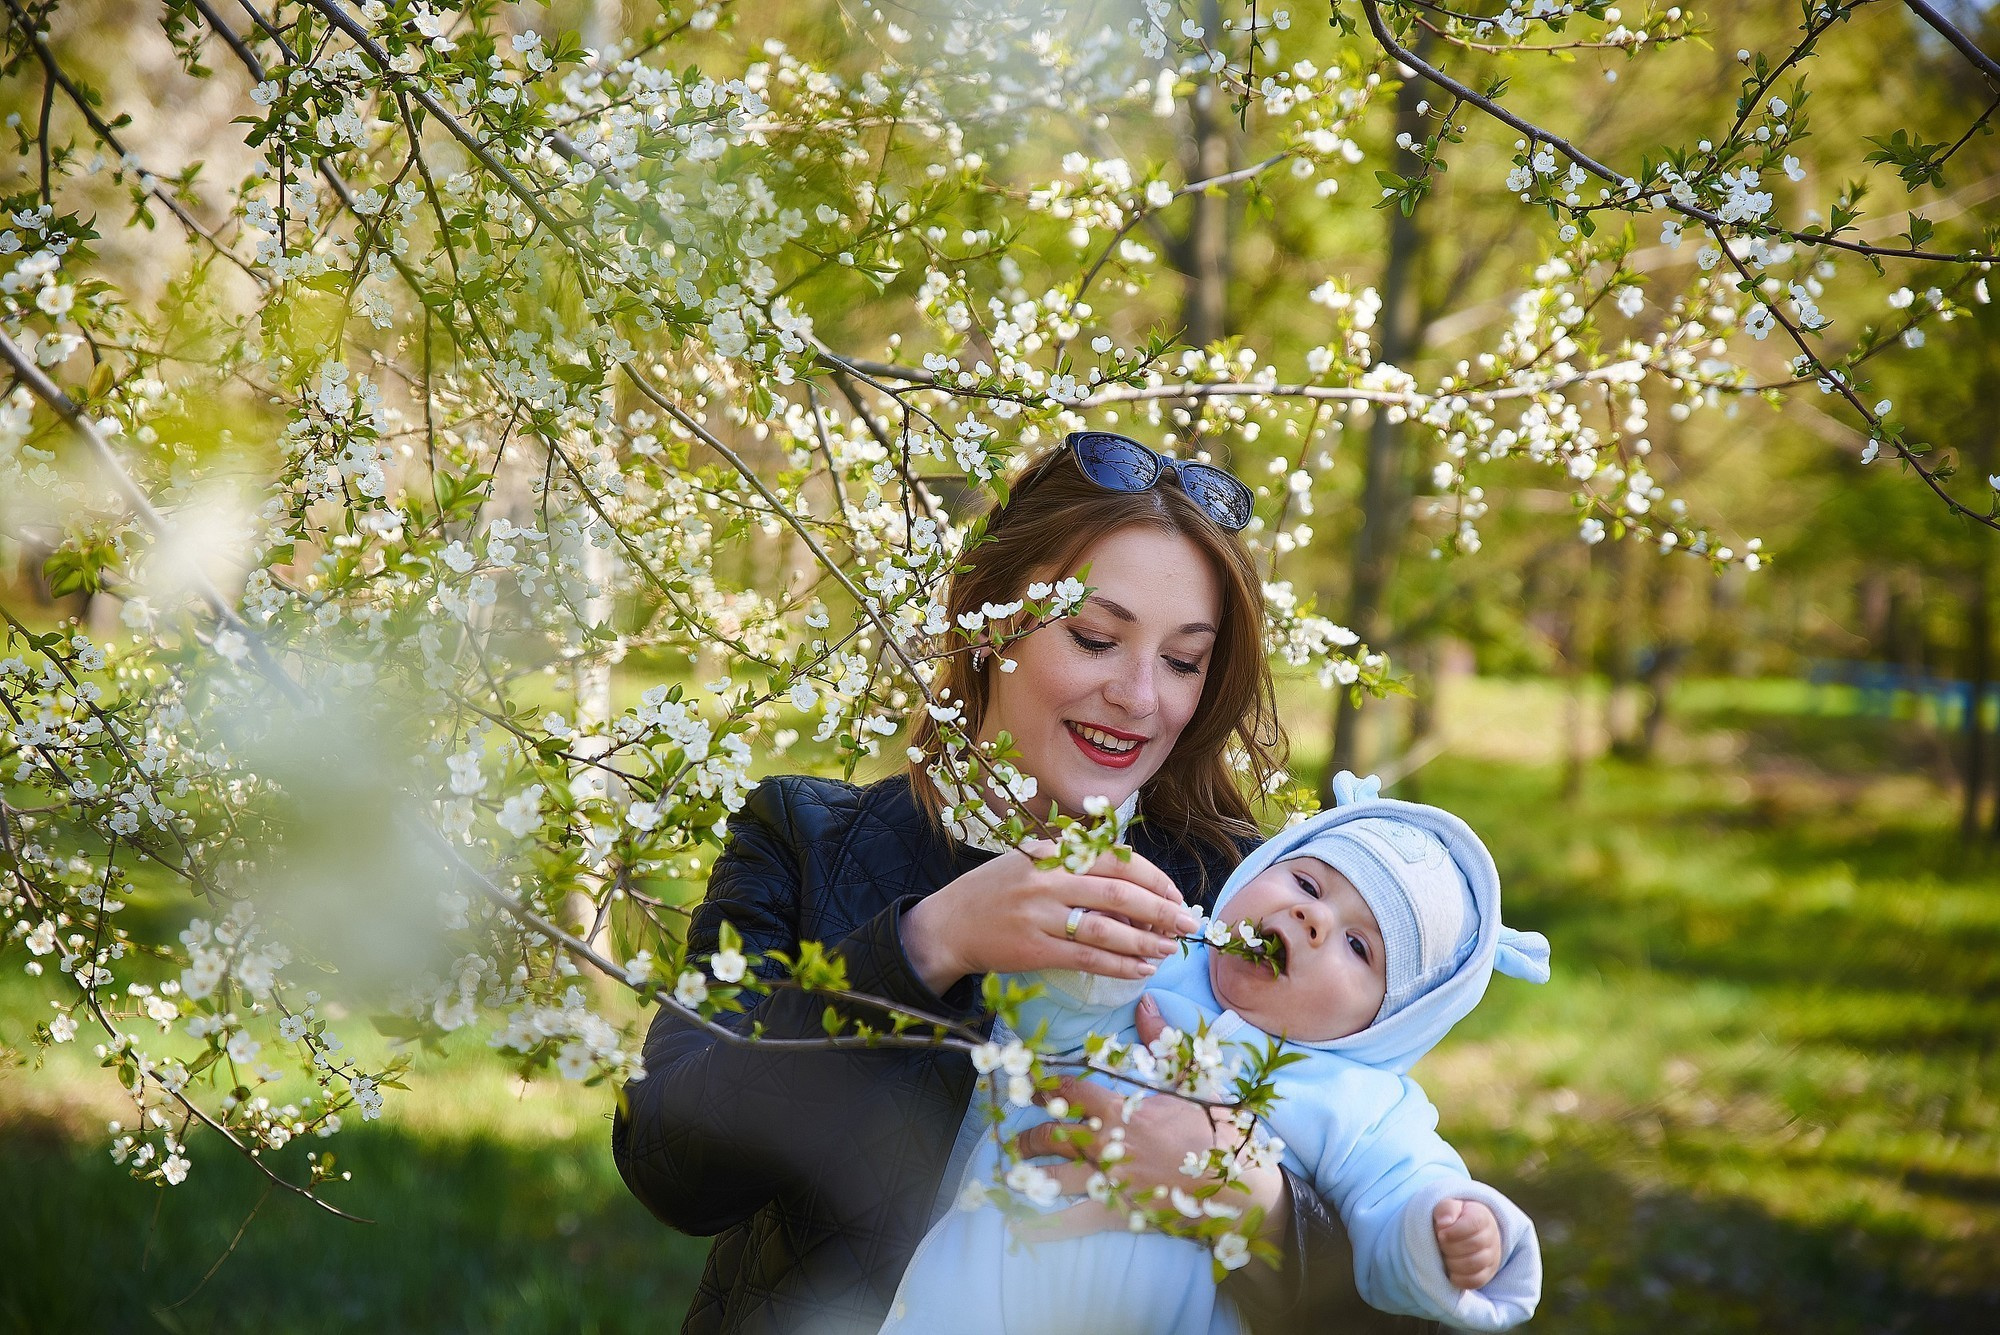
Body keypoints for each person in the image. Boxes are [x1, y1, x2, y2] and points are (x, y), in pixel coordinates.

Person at [612, 432, 1438, 1334]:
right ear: (991, 614)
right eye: (1094, 637)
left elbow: (1413, 1253)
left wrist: (1253, 1203)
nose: (1139, 696)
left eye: (1183, 660)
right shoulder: (809, 838)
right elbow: (672, 1166)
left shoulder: (1243, 898)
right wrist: (926, 944)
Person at [879, 776, 1551, 1335]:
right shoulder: (1159, 957)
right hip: (984, 1285)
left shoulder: (1358, 1097)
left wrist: (1447, 1226)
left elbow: (1399, 1190)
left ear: (1387, 1024)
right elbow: (1044, 1024)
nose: (1313, 919)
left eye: (1359, 946)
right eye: (1308, 886)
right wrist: (1097, 954)